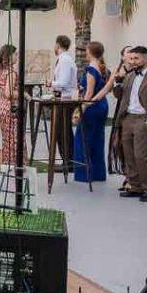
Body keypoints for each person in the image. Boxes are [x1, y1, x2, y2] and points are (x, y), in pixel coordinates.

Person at [116, 46, 147, 202]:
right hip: (127, 118)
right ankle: (135, 186)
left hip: (143, 119)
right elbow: (119, 96)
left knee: (141, 156)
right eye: (131, 58)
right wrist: (118, 81)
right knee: (128, 155)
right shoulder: (129, 77)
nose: (133, 61)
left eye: (137, 58)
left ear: (146, 58)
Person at [92, 46, 132, 183]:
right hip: (121, 110)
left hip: (133, 111)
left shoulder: (138, 72)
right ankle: (127, 174)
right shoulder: (117, 73)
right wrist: (90, 101)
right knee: (118, 143)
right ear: (123, 57)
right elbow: (106, 90)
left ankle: (132, 178)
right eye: (128, 51)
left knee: (129, 145)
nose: (132, 54)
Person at [73, 41, 109, 183]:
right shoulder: (102, 68)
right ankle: (98, 173)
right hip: (102, 104)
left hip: (93, 106)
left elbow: (89, 94)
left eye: (86, 50)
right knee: (97, 138)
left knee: (82, 139)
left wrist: (81, 109)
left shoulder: (91, 69)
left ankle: (84, 174)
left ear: (90, 52)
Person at [47, 35, 78, 170]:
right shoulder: (63, 59)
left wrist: (51, 83)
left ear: (58, 44)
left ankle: (68, 161)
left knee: (62, 131)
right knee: (61, 130)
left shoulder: (65, 60)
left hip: (65, 99)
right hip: (62, 98)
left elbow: (64, 82)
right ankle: (67, 159)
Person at [0, 44, 25, 169]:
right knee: (14, 141)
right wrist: (24, 94)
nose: (17, 56)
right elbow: (9, 93)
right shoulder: (11, 73)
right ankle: (12, 168)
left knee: (6, 141)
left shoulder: (1, 71)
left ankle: (0, 169)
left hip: (2, 107)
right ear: (9, 56)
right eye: (15, 54)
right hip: (10, 109)